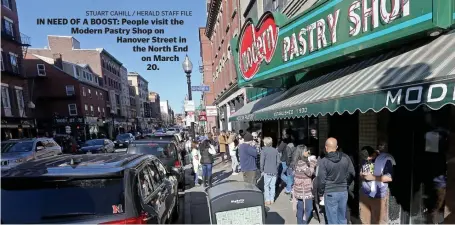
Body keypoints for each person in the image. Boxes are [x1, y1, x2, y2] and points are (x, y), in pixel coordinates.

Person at [317, 137, 355, 224]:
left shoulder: (323, 162)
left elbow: (321, 180)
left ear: (326, 148)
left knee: (332, 220)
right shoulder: (346, 158)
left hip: (330, 192)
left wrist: (320, 193)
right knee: (342, 218)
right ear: (337, 147)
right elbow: (352, 173)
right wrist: (345, 183)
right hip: (343, 192)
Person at [360, 141, 395, 224]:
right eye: (366, 159)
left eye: (369, 158)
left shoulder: (385, 159)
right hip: (365, 194)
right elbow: (361, 172)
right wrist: (362, 175)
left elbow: (389, 178)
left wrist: (372, 177)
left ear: (373, 154)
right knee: (364, 221)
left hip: (379, 196)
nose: (368, 160)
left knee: (378, 221)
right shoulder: (365, 158)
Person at [291, 145, 317, 224]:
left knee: (300, 208)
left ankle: (300, 222)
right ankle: (303, 222)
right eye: (306, 151)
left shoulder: (297, 162)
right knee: (309, 208)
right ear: (301, 152)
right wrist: (312, 162)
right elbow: (310, 173)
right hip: (305, 190)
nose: (308, 152)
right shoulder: (302, 163)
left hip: (299, 189)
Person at [260, 137, 280, 205]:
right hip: (274, 171)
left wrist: (261, 169)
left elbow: (261, 162)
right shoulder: (275, 150)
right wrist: (276, 168)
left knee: (266, 186)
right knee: (272, 186)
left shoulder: (263, 151)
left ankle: (267, 200)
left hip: (267, 170)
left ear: (265, 143)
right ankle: (272, 199)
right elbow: (278, 162)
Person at [277, 130, 296, 194]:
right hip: (292, 160)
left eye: (284, 133)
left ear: (287, 134)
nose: (283, 134)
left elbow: (279, 150)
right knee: (289, 175)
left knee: (280, 174)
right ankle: (289, 188)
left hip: (285, 160)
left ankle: (289, 184)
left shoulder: (284, 141)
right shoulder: (293, 141)